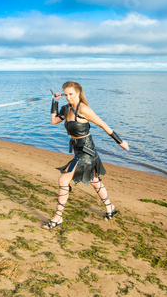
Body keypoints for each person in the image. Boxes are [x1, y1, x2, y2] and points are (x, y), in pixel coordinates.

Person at [42, 81, 129, 230]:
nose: (68, 97)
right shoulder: (66, 109)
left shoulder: (84, 109)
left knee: (63, 180)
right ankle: (110, 208)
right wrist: (55, 102)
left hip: (87, 150)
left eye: (71, 94)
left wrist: (120, 142)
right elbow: (53, 121)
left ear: (78, 93)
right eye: (66, 95)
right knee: (94, 180)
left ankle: (57, 217)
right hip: (77, 150)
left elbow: (103, 124)